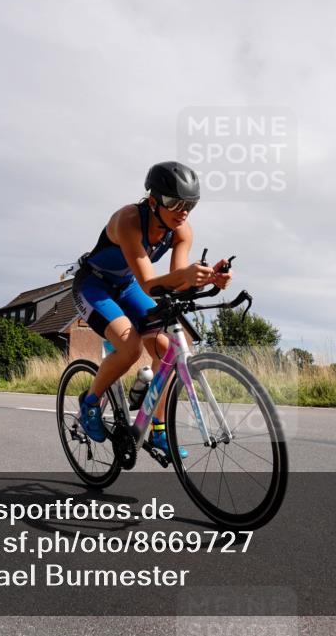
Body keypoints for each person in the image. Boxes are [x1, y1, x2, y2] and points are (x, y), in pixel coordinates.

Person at [71, 161, 233, 458]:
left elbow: (175, 281)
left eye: (190, 204)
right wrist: (185, 276)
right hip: (94, 285)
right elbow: (149, 283)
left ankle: (157, 428)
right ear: (153, 200)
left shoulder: (182, 231)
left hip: (127, 287)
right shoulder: (128, 219)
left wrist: (208, 278)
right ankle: (90, 403)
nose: (182, 211)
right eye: (175, 202)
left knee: (167, 348)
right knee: (130, 347)